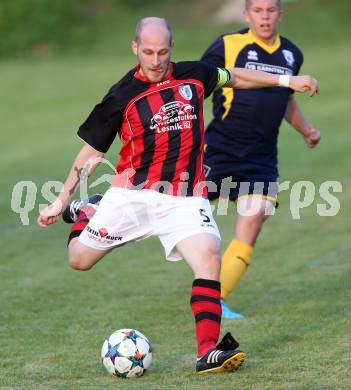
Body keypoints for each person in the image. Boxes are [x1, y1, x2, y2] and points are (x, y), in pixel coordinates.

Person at [37, 17, 318, 374]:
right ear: (135, 48)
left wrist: (287, 80)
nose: (156, 61)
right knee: (79, 259)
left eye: (163, 52)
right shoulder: (121, 96)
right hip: (132, 196)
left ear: (172, 48)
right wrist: (61, 201)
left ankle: (207, 352)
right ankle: (87, 210)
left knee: (208, 256)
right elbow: (91, 153)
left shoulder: (194, 76)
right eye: (149, 52)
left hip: (185, 198)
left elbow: (235, 76)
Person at [201, 0, 321, 319]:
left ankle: (215, 300)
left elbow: (286, 100)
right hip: (219, 152)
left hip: (261, 160)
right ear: (246, 15)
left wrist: (306, 130)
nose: (265, 17)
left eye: (271, 11)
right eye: (258, 10)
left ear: (280, 14)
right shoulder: (228, 46)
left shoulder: (291, 55)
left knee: (253, 219)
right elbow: (196, 86)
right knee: (175, 206)